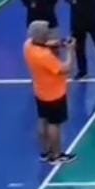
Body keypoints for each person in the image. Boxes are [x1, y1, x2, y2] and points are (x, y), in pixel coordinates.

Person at [23, 20, 75, 164]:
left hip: (40, 91)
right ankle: (56, 155)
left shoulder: (28, 45)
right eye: (46, 32)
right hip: (54, 93)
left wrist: (59, 43)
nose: (49, 33)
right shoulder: (44, 56)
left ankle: (45, 152)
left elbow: (43, 43)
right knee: (54, 124)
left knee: (43, 120)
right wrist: (71, 51)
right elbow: (66, 68)